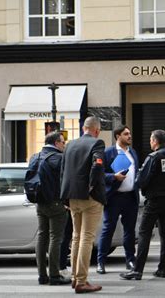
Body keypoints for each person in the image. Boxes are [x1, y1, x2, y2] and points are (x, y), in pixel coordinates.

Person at [120, 130, 165, 280]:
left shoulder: (153, 157)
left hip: (154, 200)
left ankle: (137, 270)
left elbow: (142, 179)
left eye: (150, 139)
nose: (150, 142)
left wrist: (143, 187)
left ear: (155, 141)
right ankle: (163, 269)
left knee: (144, 233)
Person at [60, 116, 106, 293]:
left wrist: (65, 196)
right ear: (96, 130)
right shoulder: (97, 143)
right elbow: (98, 165)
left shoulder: (70, 144)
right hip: (89, 197)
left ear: (83, 128)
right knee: (87, 237)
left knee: (76, 237)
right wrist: (92, 186)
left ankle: (74, 277)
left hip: (72, 196)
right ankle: (81, 281)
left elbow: (63, 171)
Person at [97, 125, 139, 274]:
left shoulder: (132, 152)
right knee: (108, 229)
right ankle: (101, 262)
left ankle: (130, 260)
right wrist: (113, 177)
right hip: (114, 197)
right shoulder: (108, 153)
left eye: (129, 133)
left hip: (130, 197)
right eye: (126, 134)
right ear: (117, 136)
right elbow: (99, 174)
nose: (129, 136)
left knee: (130, 231)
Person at [33, 131, 70, 285]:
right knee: (56, 238)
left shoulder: (35, 157)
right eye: (62, 142)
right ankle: (54, 275)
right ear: (56, 143)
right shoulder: (59, 158)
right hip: (56, 203)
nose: (64, 144)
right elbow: (65, 181)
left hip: (40, 202)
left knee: (42, 237)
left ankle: (42, 275)